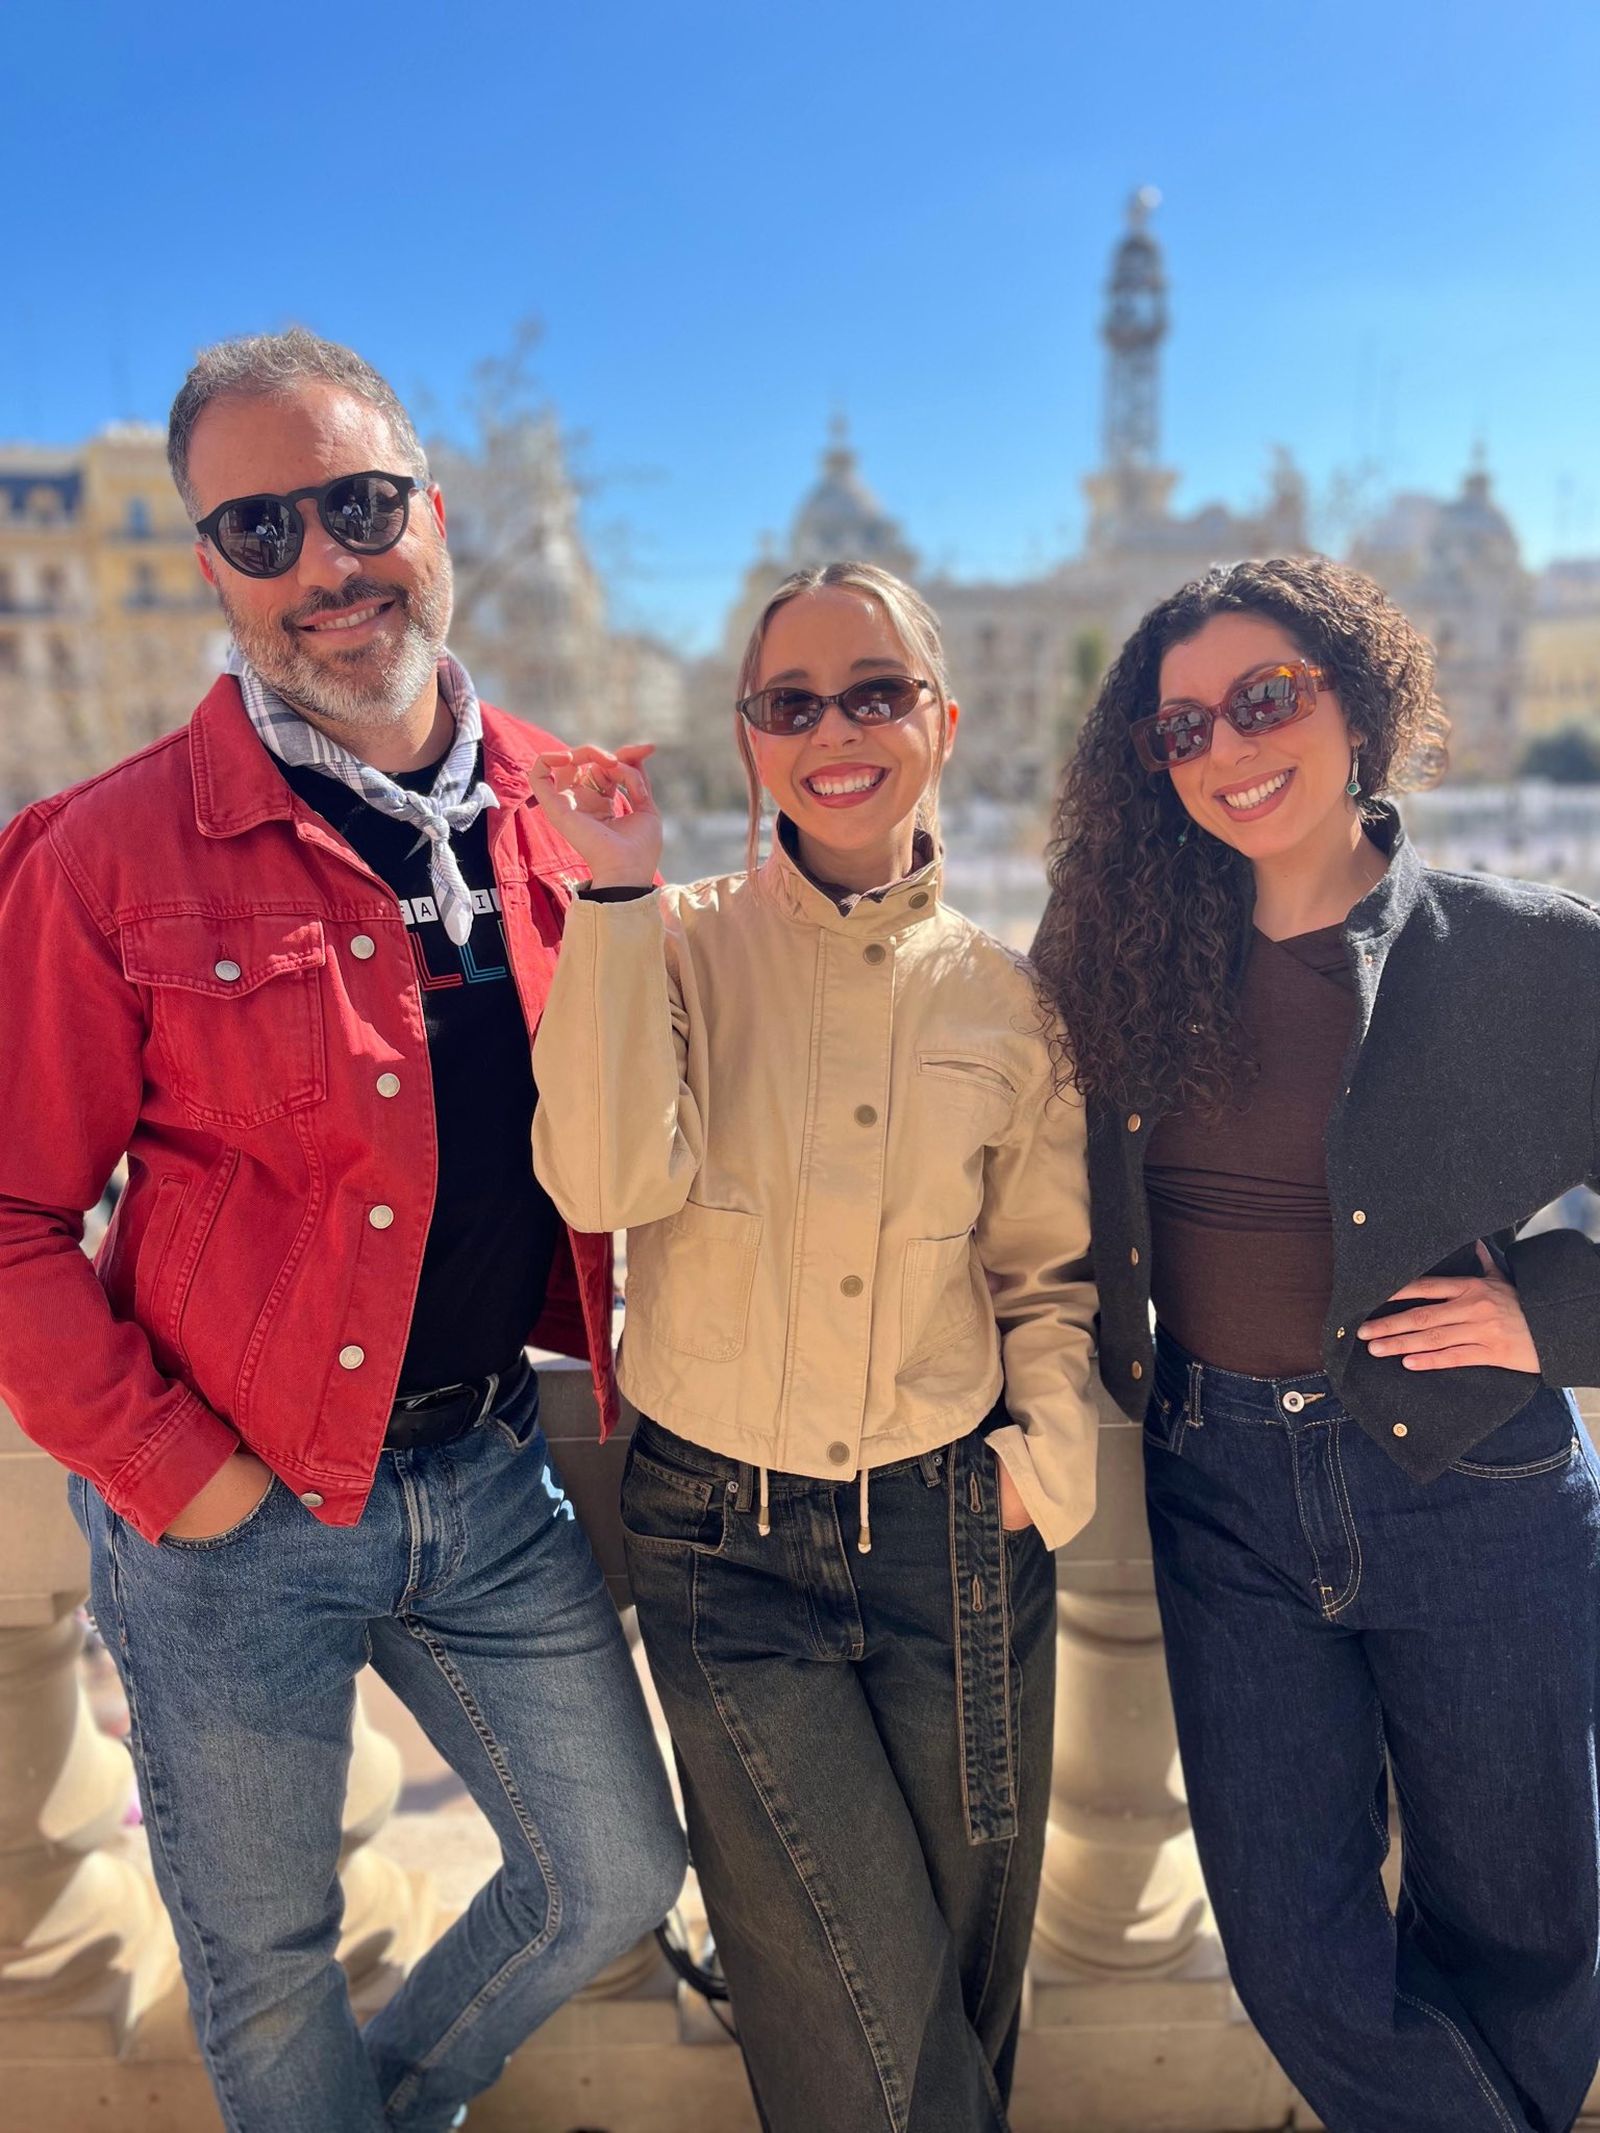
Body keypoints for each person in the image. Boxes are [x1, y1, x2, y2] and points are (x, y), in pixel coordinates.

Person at [0, 329, 684, 2133]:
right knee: (267, 1954)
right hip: (232, 1510)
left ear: (433, 517)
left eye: (361, 504)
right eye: (259, 527)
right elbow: (5, 1218)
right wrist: (186, 1479)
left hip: (488, 1484)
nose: (325, 565)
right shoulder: (110, 853)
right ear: (214, 562)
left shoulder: (567, 806)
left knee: (611, 1870)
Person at [1031, 554, 1600, 2133]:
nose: (1228, 747)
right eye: (1184, 728)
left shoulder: (1525, 952)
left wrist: (1549, 1314)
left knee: (1528, 1930)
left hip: (1471, 1480)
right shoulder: (1121, 945)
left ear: (1360, 701)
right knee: (1290, 1945)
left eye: (1266, 699)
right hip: (1220, 1491)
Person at [526, 560, 1097, 2133]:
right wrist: (620, 895)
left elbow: (1046, 1275)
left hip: (958, 1538)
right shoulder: (670, 940)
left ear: (944, 718)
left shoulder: (1010, 1002)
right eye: (794, 702)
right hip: (729, 1548)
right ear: (750, 737)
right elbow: (603, 1182)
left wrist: (1044, 1459)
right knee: (857, 2019)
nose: (835, 729)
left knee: (966, 1988)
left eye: (876, 692)